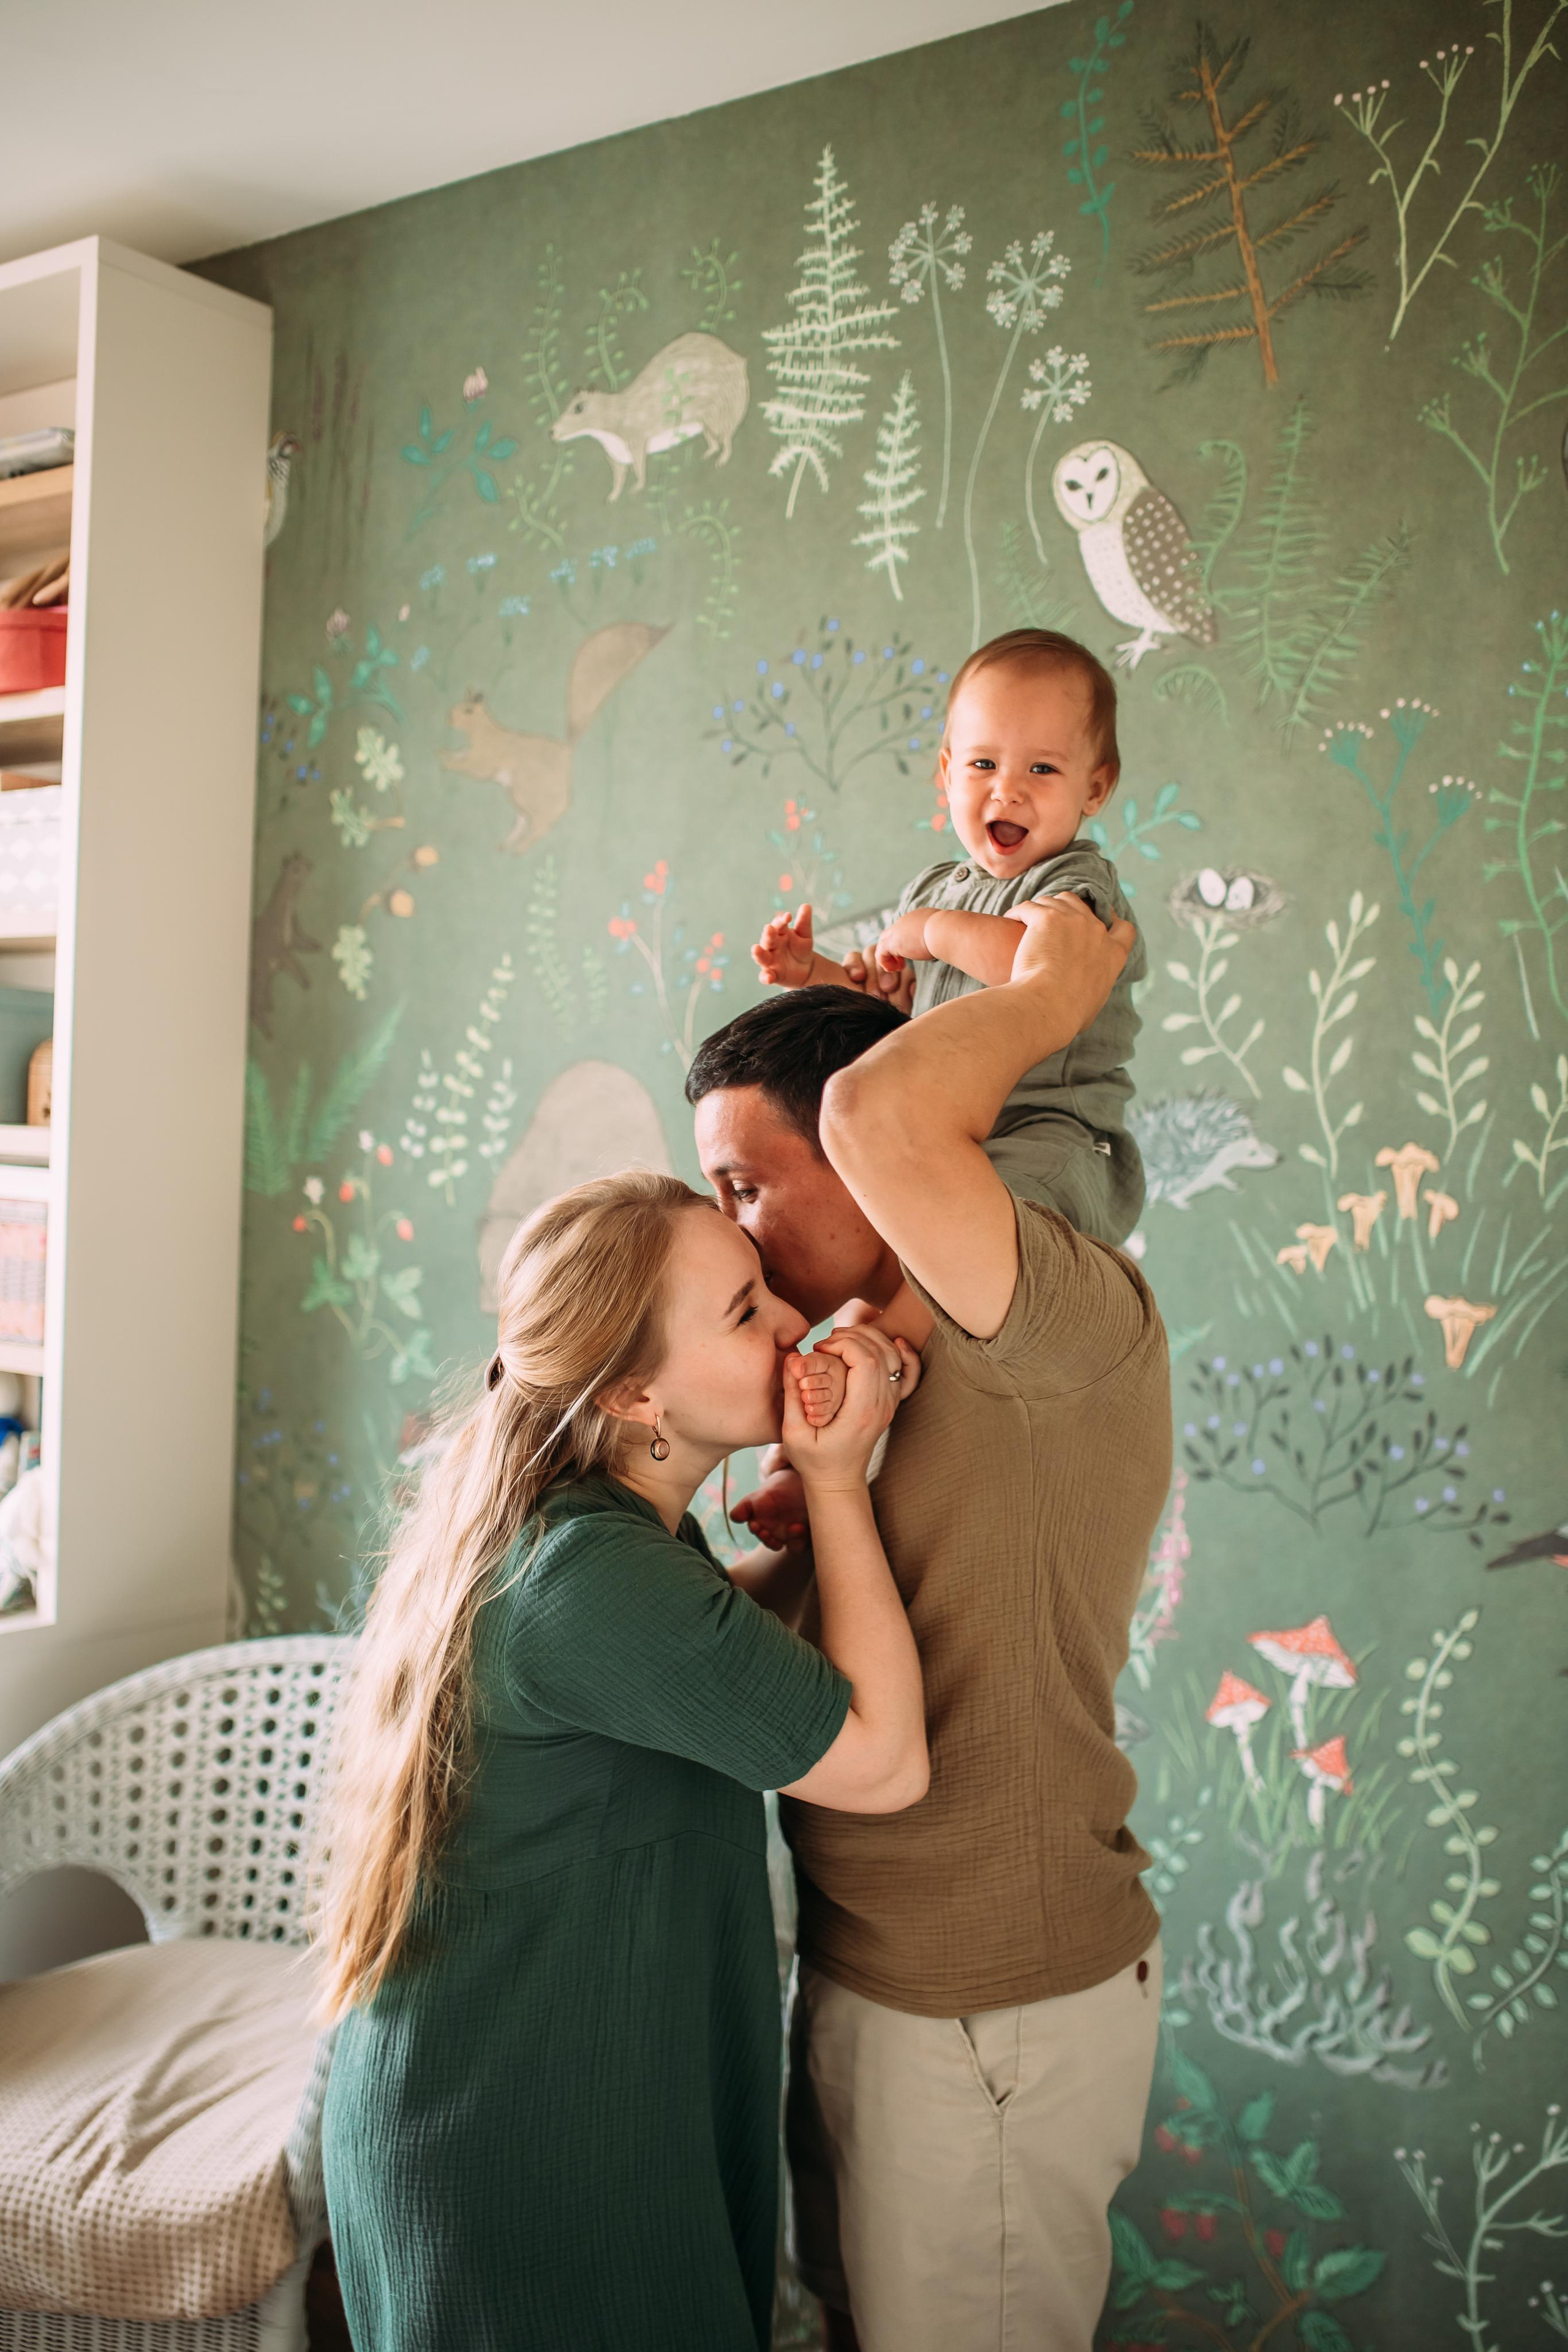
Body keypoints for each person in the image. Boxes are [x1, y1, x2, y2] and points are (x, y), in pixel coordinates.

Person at [315, 1170, 927, 2352]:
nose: (791, 1323)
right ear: (634, 1391)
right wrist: (839, 1484)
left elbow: (708, 1660)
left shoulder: (598, 1533)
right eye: (745, 1311)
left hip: (532, 2090)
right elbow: (884, 1764)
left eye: (767, 1290)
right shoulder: (590, 1577)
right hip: (521, 2146)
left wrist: (810, 1521)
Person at [686, 892, 1171, 2352]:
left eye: (745, 1187)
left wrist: (1052, 989)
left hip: (989, 1999)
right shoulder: (871, 1364)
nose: (732, 1236)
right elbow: (820, 1632)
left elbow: (881, 1112)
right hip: (865, 1960)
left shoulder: (1047, 1314)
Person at [752, 627, 1146, 1248]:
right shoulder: (935, 891)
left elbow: (1041, 970)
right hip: (949, 1128)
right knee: (867, 1207)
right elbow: (899, 1020)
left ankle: (945, 1303)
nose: (1007, 789)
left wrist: (935, 932)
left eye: (1042, 768)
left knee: (992, 1217)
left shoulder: (1074, 886)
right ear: (947, 772)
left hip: (1050, 1129)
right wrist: (816, 976)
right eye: (983, 764)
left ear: (1094, 788)